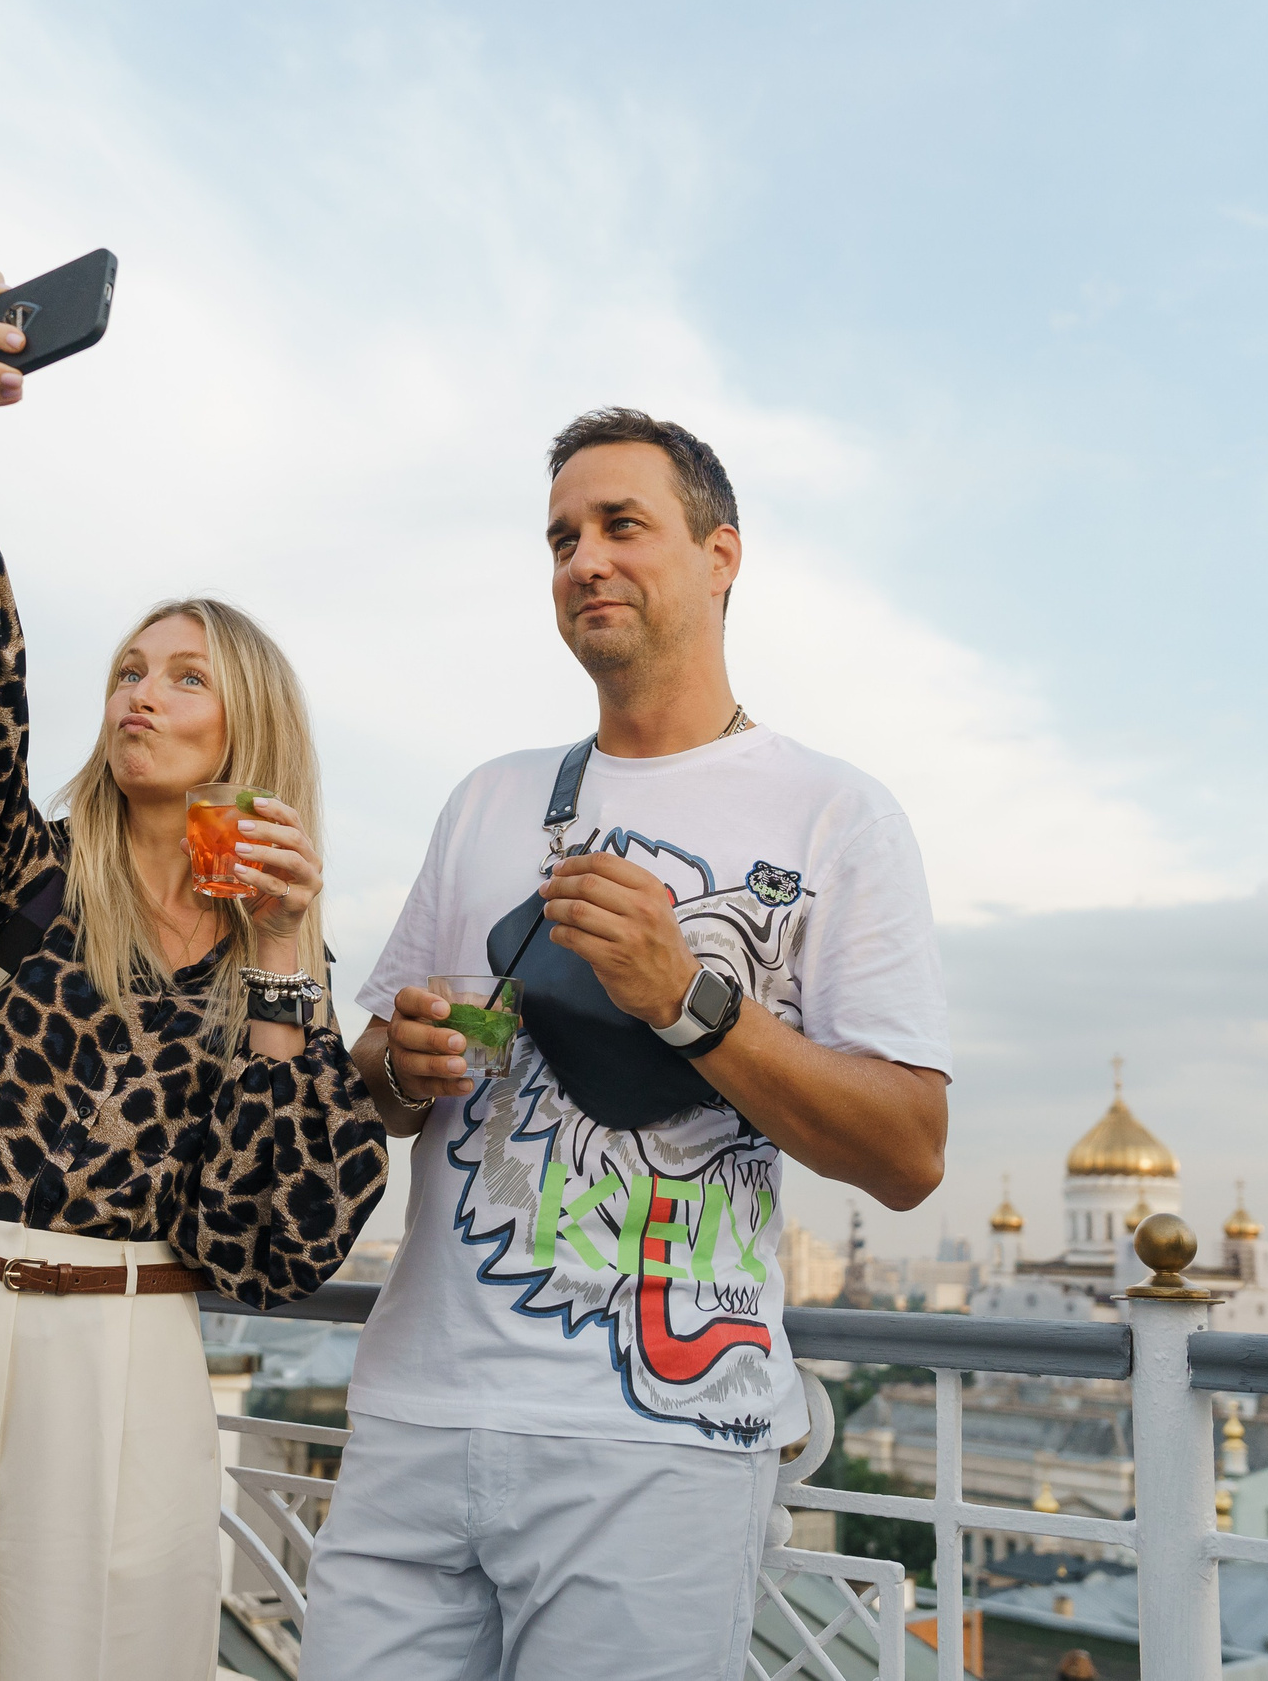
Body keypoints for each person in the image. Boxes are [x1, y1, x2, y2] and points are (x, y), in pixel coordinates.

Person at [0, 273, 389, 1681]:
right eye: (128, 666)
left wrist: (292, 953)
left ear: (251, 722)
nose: (139, 691)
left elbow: (275, 1241)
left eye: (185, 675)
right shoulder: (17, 869)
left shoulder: (277, 964)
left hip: (121, 1359)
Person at [299, 408, 952, 1681]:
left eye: (620, 526)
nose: (582, 559)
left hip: (655, 1444)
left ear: (722, 556)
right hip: (414, 1418)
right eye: (559, 538)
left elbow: (909, 1153)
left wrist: (686, 998)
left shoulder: (836, 815)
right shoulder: (491, 798)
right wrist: (402, 1061)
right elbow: (371, 1077)